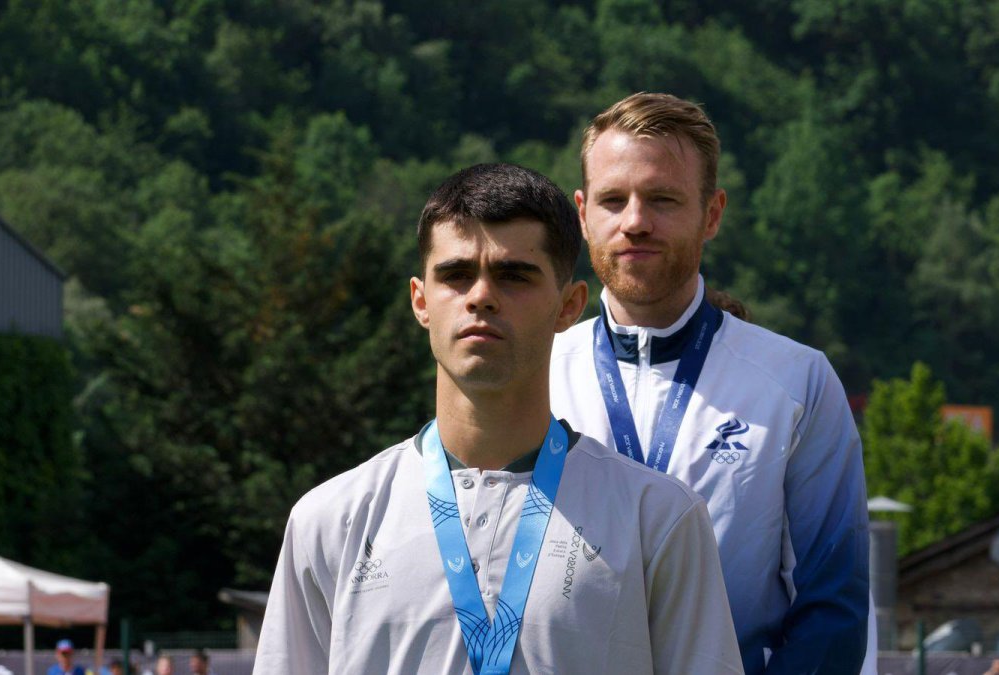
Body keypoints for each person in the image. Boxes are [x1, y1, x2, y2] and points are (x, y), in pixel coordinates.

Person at [254, 163, 743, 674]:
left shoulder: (659, 519)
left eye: (514, 276)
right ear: (421, 301)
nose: (481, 295)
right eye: (457, 275)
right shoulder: (331, 520)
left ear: (569, 306)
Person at [550, 91, 871, 674]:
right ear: (581, 213)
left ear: (713, 213)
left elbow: (833, 609)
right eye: (613, 200)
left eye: (664, 200)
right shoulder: (534, 375)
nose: (635, 222)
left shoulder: (797, 381)